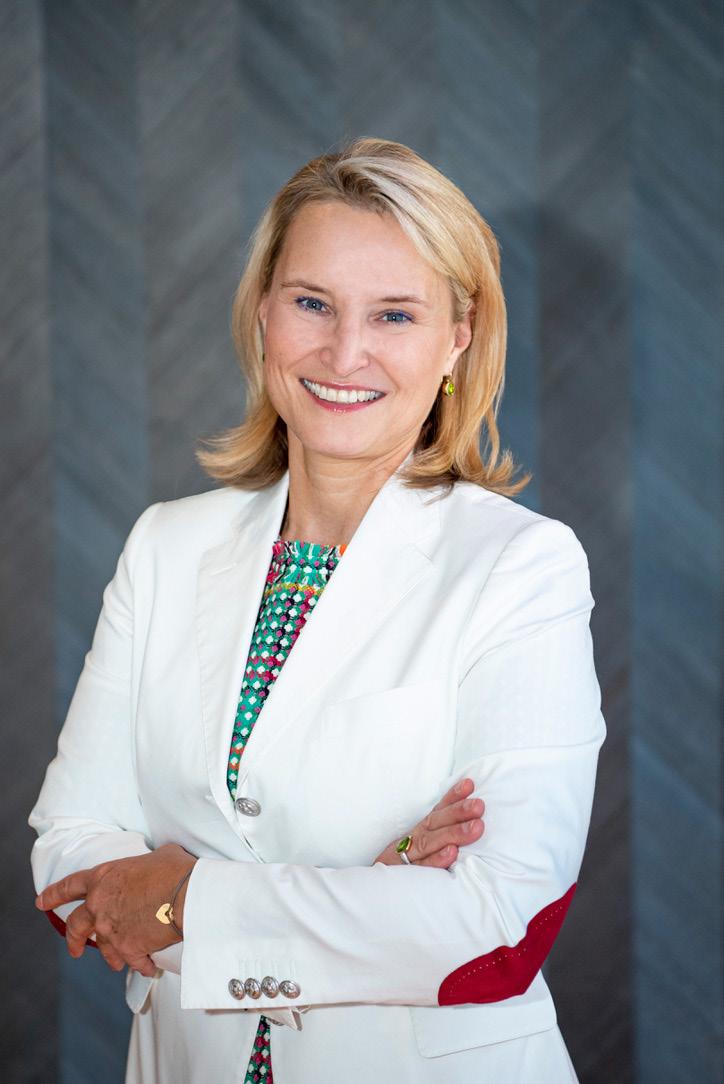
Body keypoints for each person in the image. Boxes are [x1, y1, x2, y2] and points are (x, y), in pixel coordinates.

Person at [29, 136, 606, 1084]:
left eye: (395, 314)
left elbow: (497, 928)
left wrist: (184, 903)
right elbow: (71, 853)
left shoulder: (520, 569)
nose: (345, 352)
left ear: (458, 338)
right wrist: (368, 890)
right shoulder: (165, 547)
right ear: (263, 312)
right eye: (312, 303)